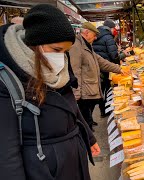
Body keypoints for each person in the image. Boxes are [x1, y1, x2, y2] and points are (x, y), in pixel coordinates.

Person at [0, 4, 100, 180]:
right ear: (35, 44)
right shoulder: (8, 79)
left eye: (65, 51)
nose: (61, 57)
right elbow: (6, 153)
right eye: (56, 50)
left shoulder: (58, 66)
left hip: (73, 160)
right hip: (43, 169)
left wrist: (88, 137)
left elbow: (71, 107)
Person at [69, 22, 125, 131]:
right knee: (85, 121)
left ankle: (88, 132)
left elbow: (101, 62)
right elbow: (75, 71)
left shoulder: (86, 45)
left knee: (87, 117)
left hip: (89, 89)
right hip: (84, 93)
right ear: (86, 32)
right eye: (94, 35)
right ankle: (87, 144)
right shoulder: (76, 46)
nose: (95, 38)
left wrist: (119, 69)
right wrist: (76, 95)